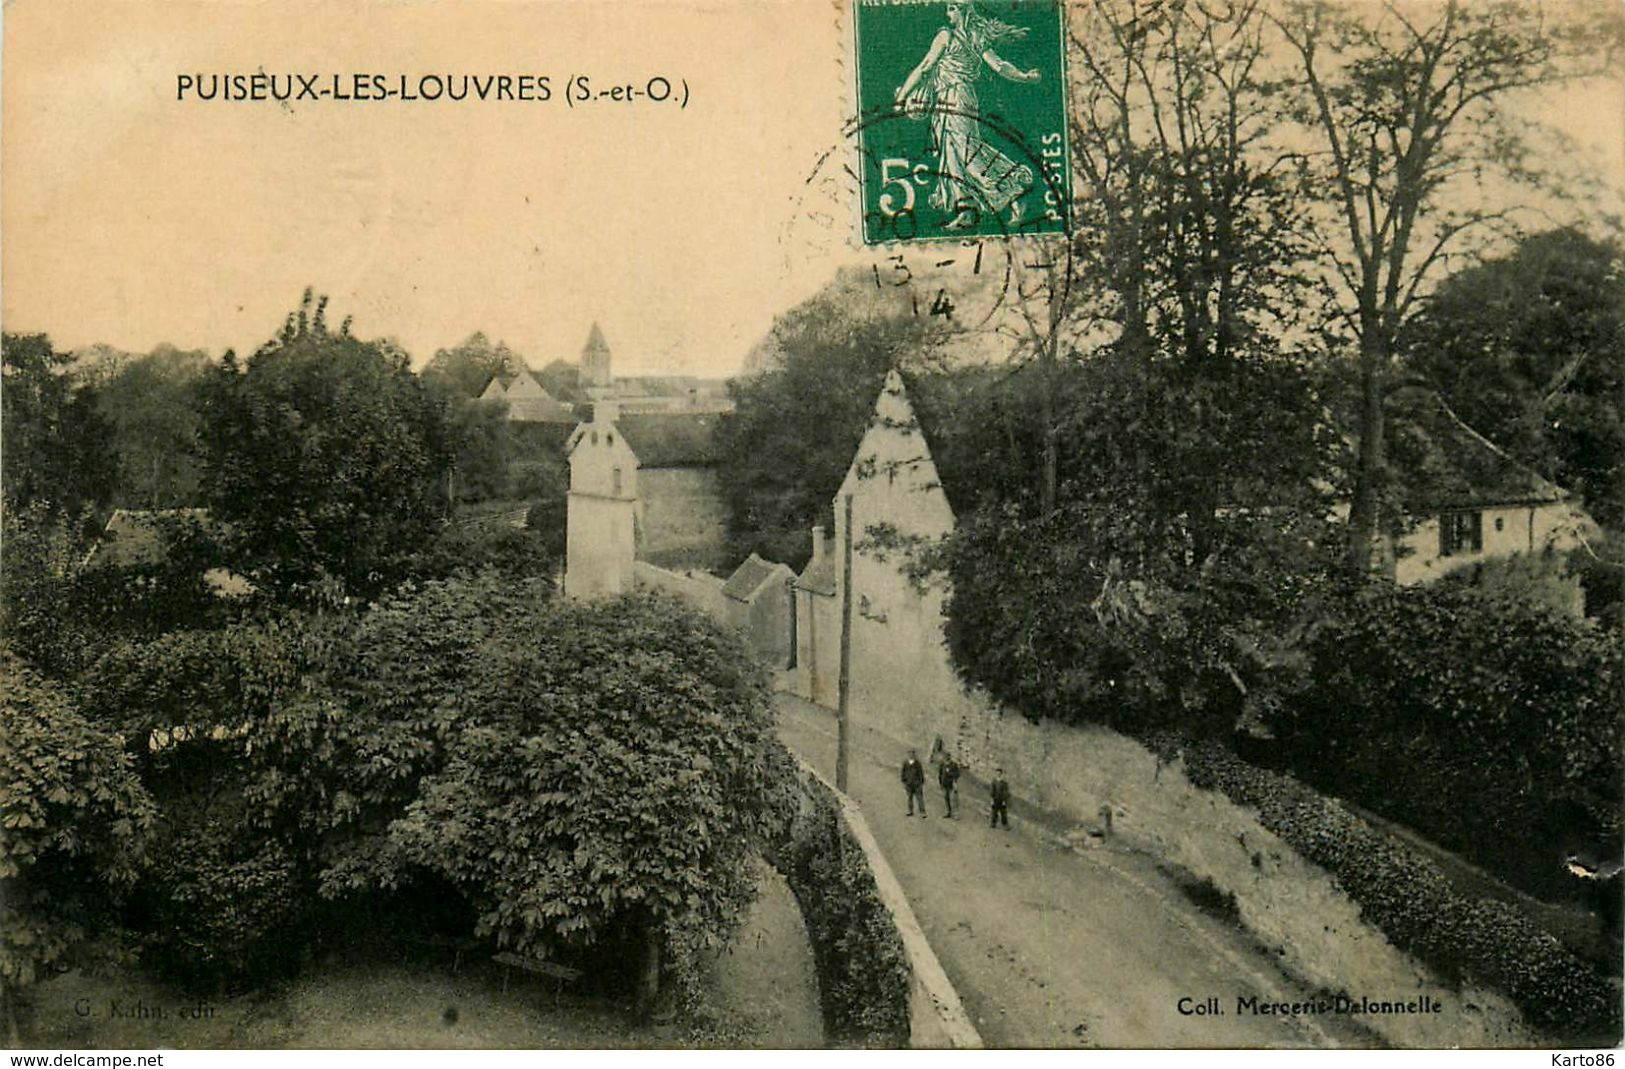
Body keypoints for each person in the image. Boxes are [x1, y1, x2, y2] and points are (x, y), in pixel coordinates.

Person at [892, 1, 1042, 229]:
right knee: (951, 153)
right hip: (953, 98)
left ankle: (1015, 188)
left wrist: (902, 95)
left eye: (952, 7)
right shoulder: (975, 38)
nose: (947, 12)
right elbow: (1000, 66)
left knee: (967, 151)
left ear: (964, 10)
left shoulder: (946, 36)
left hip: (956, 97)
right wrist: (1025, 76)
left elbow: (924, 67)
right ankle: (966, 210)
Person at [901, 749, 927, 817]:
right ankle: (910, 810)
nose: (911, 755)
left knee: (919, 798)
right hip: (909, 783)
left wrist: (921, 782)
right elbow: (903, 773)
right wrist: (904, 782)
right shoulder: (905, 763)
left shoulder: (917, 763)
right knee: (909, 798)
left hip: (917, 784)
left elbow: (921, 773)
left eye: (912, 753)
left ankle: (922, 812)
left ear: (914, 754)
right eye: (909, 753)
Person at [938, 752, 961, 818]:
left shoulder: (953, 765)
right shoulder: (942, 764)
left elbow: (957, 774)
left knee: (953, 800)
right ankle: (948, 812)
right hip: (944, 785)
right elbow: (940, 774)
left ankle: (955, 814)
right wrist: (940, 783)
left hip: (951, 785)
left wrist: (950, 773)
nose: (945, 759)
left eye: (947, 757)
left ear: (949, 757)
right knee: (946, 798)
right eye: (945, 757)